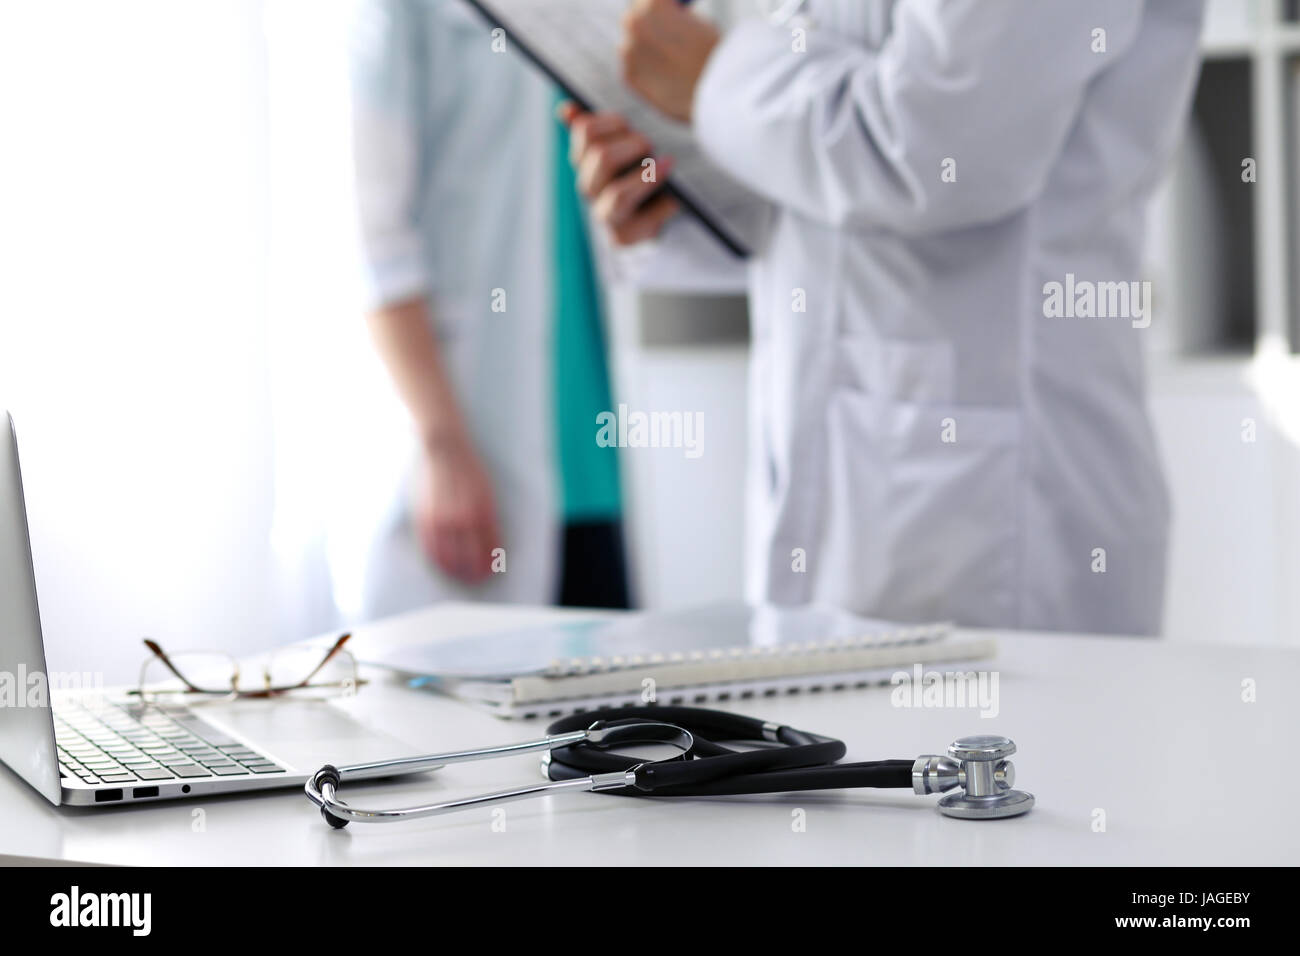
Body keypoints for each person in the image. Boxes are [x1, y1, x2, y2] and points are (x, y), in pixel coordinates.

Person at [564, 0, 1206, 634]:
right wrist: (669, 198)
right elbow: (828, 198)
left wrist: (716, 82)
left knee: (995, 731)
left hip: (1002, 505)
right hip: (853, 472)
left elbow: (941, 149)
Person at [349, 0, 630, 619]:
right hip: (474, 437)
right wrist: (442, 442)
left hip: (594, 445)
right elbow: (369, 237)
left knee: (610, 700)